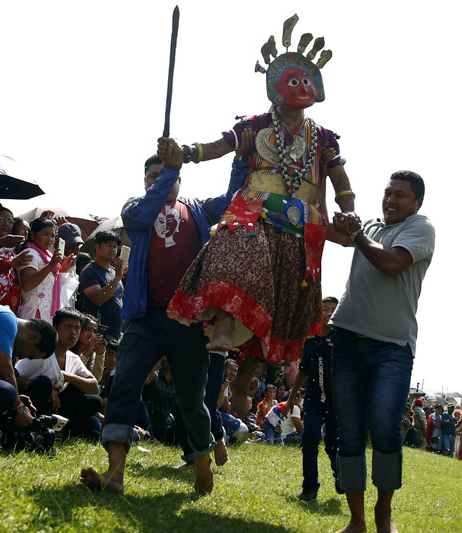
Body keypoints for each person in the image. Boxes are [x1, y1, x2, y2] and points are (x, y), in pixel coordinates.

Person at [164, 18, 356, 417]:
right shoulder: (256, 125)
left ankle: (243, 380)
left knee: (285, 301)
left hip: (303, 222)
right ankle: (220, 323)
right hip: (254, 209)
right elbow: (219, 145)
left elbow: (338, 174)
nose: (302, 86)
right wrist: (186, 152)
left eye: (307, 80)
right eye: (293, 79)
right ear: (276, 87)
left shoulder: (323, 136)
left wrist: (348, 206)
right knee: (236, 255)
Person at [80, 132, 249, 495]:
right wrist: (169, 171)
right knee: (124, 383)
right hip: (145, 317)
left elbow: (234, 200)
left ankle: (202, 463)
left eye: (165, 175)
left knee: (191, 400)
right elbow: (142, 213)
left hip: (188, 320)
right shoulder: (135, 206)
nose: (156, 181)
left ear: (181, 179)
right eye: (151, 177)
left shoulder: (199, 209)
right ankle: (115, 474)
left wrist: (240, 159)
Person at [329, 171, 434, 533]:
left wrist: (355, 233)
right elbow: (329, 233)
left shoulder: (421, 228)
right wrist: (338, 219)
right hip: (345, 337)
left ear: (417, 202)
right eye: (387, 193)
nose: (390, 199)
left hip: (392, 346)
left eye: (400, 195)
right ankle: (356, 521)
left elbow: (391, 264)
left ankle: (382, 513)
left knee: (386, 429)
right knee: (350, 433)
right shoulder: (370, 227)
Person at [285, 296, 341, 501]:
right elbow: (302, 371)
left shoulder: (341, 339)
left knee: (333, 445)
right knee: (309, 438)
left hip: (337, 403)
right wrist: (291, 398)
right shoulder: (309, 340)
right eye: (325, 309)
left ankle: (339, 474)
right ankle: (309, 487)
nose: (328, 314)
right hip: (314, 400)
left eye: (334, 311)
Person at [15, 307, 101, 439]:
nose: (73, 332)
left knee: (92, 400)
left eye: (77, 328)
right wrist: (49, 389)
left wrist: (65, 375)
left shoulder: (74, 358)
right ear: (55, 328)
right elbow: (14, 377)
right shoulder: (42, 353)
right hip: (32, 403)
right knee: (43, 384)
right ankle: (33, 427)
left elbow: (93, 386)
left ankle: (60, 430)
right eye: (67, 327)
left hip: (57, 407)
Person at [17, 217, 77, 323]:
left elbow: (54, 285)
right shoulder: (30, 253)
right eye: (45, 234)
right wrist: (51, 265)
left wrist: (64, 268)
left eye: (53, 236)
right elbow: (27, 284)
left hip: (46, 313)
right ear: (32, 235)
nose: (50, 239)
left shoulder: (48, 256)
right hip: (33, 313)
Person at [77, 231, 126, 341]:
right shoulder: (90, 271)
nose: (112, 249)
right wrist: (117, 278)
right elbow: (98, 299)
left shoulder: (114, 272)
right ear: (97, 246)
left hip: (115, 334)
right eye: (108, 245)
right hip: (98, 334)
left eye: (115, 246)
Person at [71, 313, 106, 382]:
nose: (92, 334)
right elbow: (73, 372)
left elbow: (95, 380)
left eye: (95, 331)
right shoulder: (68, 349)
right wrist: (88, 350)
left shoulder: (93, 353)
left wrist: (100, 355)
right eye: (88, 329)